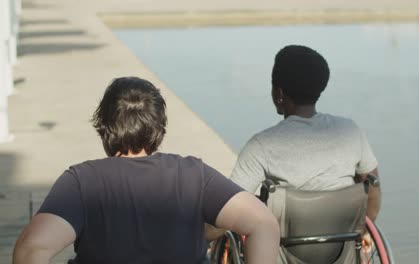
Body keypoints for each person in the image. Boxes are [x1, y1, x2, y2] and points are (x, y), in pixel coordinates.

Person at [13, 77, 280, 264]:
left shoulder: (82, 182)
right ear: (159, 128)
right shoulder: (193, 174)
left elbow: (32, 250)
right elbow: (263, 223)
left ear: (104, 126)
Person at [230, 45, 381, 223]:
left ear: (279, 94)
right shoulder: (350, 131)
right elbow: (373, 188)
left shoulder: (261, 145)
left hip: (281, 248)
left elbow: (230, 205)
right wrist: (363, 231)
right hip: (343, 245)